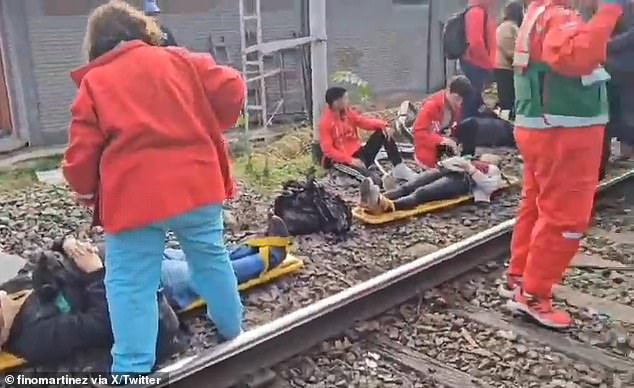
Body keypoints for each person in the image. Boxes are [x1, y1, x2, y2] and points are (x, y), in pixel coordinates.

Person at [62, 1, 245, 374]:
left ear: (96, 44)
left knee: (130, 284)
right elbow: (232, 87)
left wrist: (83, 189)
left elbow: (81, 154)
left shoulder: (96, 83)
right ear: (143, 31)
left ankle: (131, 369)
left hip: (133, 200)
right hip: (197, 184)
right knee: (210, 259)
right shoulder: (180, 61)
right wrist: (210, 121)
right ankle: (233, 332)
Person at [0, 217, 290, 367]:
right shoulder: (37, 337)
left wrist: (66, 246)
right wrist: (95, 272)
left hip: (124, 260)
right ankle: (268, 257)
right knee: (204, 275)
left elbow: (43, 266)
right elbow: (103, 322)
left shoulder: (15, 291)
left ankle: (256, 245)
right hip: (137, 289)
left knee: (201, 257)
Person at [501, 0, 624, 329]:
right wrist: (610, 12)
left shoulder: (537, 13)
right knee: (565, 218)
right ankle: (534, 295)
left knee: (536, 206)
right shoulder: (560, 16)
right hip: (565, 130)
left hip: (541, 127)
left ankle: (519, 278)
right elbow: (577, 57)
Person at [412, 75, 514, 170]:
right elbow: (418, 132)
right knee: (456, 170)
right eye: (457, 99)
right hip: (428, 149)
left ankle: (466, 159)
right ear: (451, 92)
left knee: (470, 127)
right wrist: (442, 140)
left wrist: (451, 137)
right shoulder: (431, 106)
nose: (459, 103)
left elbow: (452, 127)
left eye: (461, 100)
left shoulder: (454, 106)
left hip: (444, 143)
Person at [319, 87, 418, 184]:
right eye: (345, 99)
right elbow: (328, 151)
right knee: (375, 181)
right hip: (343, 162)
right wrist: (350, 160)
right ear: (337, 102)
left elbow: (363, 122)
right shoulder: (326, 123)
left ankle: (399, 168)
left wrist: (383, 125)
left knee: (383, 132)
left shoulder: (346, 112)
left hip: (359, 154)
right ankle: (346, 177)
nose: (348, 101)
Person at [359, 154, 503, 214]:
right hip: (448, 170)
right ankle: (373, 198)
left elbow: (489, 186)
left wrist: (471, 170)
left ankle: (384, 206)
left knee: (422, 193)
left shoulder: (493, 170)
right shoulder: (473, 158)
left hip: (463, 180)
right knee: (408, 186)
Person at [603, 10, 634, 177]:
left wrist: (607, 43)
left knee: (627, 111)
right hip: (612, 68)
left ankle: (627, 150)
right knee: (611, 113)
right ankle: (619, 152)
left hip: (626, 69)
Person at [460, 0, 497, 120]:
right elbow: (475, 42)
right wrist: (487, 63)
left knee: (475, 101)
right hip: (476, 65)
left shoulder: (480, 11)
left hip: (476, 64)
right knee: (472, 101)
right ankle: (469, 131)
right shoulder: (477, 12)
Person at [495, 1, 524, 121]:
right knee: (509, 99)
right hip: (506, 67)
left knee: (505, 98)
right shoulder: (511, 27)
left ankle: (504, 121)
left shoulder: (502, 26)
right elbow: (512, 47)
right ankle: (507, 124)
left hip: (500, 65)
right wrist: (520, 60)